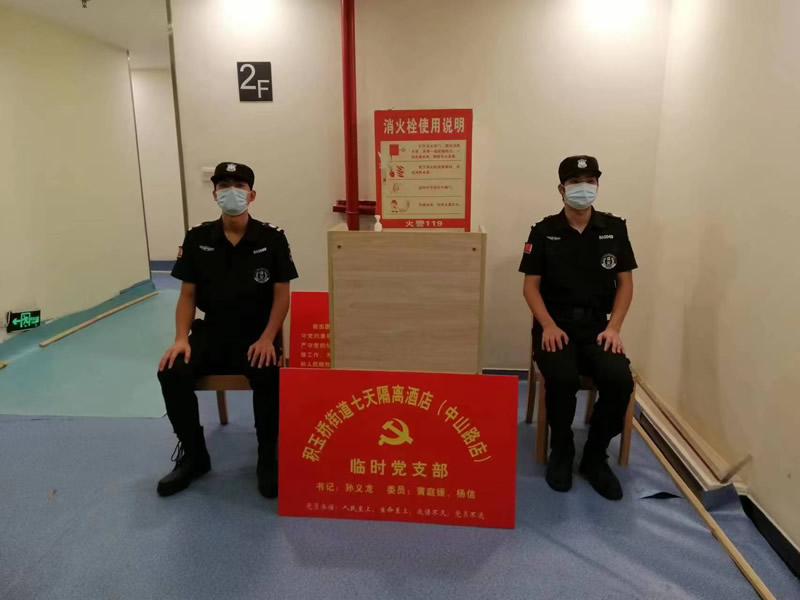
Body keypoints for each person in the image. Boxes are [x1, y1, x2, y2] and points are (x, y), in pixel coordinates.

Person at [156, 162, 298, 499]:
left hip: (256, 334)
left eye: (238, 185)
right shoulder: (197, 238)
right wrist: (180, 339)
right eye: (223, 185)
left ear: (251, 195)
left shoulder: (272, 238)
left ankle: (267, 458)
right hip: (213, 331)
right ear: (214, 194)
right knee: (171, 371)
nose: (230, 191)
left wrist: (268, 338)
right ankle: (194, 456)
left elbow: (282, 296)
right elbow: (187, 295)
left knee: (268, 372)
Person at [519, 155, 636, 500]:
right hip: (556, 326)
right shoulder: (543, 232)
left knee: (619, 380)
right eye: (575, 182)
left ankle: (595, 456)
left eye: (590, 181)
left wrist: (614, 328)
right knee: (561, 378)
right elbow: (530, 287)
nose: (583, 188)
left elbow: (625, 284)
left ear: (597, 185)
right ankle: (562, 449)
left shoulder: (614, 229)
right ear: (561, 189)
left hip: (598, 328)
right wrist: (547, 325)